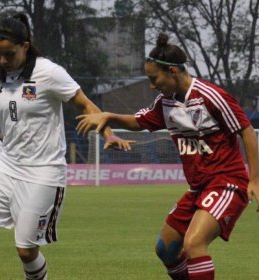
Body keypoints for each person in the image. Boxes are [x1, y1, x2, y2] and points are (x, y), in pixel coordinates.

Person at [0, 13, 132, 280]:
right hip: (7, 167)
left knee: (25, 251)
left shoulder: (49, 73)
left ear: (25, 45)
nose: (1, 60)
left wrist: (108, 134)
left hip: (43, 172)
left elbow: (85, 104)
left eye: (8, 54)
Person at [76, 32, 259, 280]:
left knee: (193, 244)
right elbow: (138, 122)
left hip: (228, 182)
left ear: (172, 71)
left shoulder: (211, 96)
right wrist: (109, 116)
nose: (152, 85)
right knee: (166, 249)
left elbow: (246, 131)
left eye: (154, 78)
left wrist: (254, 180)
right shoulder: (165, 103)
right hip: (198, 188)